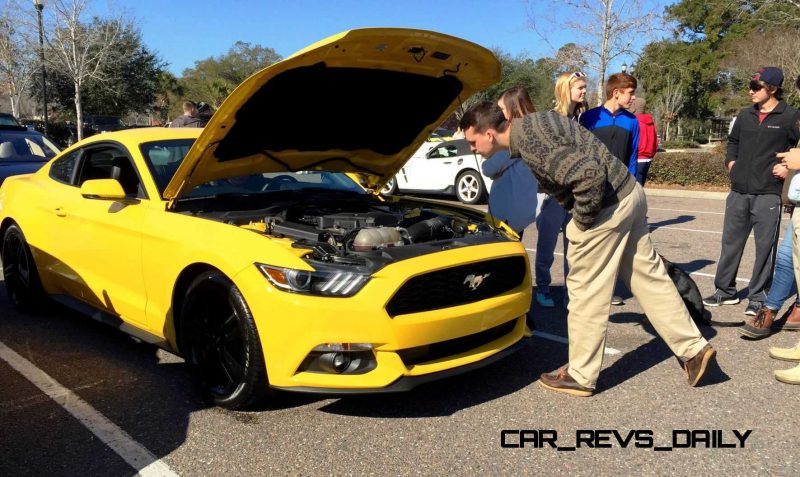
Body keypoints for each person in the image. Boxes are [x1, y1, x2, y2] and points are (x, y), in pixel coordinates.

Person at [459, 101, 715, 397]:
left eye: (472, 141)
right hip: (629, 193)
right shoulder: (537, 120)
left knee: (585, 292)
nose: (472, 149)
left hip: (605, 206)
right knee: (650, 279)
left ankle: (581, 375)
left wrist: (580, 224)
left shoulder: (530, 142)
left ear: (489, 134)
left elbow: (589, 176)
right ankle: (694, 350)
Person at [705, 67, 800, 318]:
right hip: (738, 191)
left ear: (773, 88)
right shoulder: (745, 114)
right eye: (751, 85)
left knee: (764, 248)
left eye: (756, 86)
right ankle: (724, 290)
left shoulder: (790, 116)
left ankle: (757, 297)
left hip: (768, 193)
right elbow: (733, 143)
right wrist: (731, 163)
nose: (750, 90)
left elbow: (797, 149)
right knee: (730, 243)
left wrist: (786, 169)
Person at [580, 72, 640, 305]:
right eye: (630, 93)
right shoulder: (589, 118)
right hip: (592, 191)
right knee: (591, 242)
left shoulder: (632, 121)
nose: (633, 98)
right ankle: (588, 289)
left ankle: (608, 290)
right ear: (616, 93)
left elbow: (633, 157)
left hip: (620, 191)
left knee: (614, 243)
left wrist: (634, 189)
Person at [534, 72, 587, 308]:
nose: (584, 91)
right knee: (546, 246)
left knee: (573, 248)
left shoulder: (583, 120)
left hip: (575, 194)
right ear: (566, 89)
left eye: (585, 87)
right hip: (552, 195)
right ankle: (542, 288)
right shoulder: (550, 120)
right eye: (580, 88)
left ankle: (570, 291)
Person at [480, 86, 539, 238]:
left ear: (513, 108)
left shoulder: (516, 136)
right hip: (522, 209)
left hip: (507, 214)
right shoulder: (535, 131)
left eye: (502, 109)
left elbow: (488, 168)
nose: (500, 113)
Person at [627, 98, 659, 186]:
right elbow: (656, 143)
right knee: (640, 186)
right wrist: (651, 154)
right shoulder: (651, 122)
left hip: (637, 157)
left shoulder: (634, 122)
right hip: (648, 158)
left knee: (634, 187)